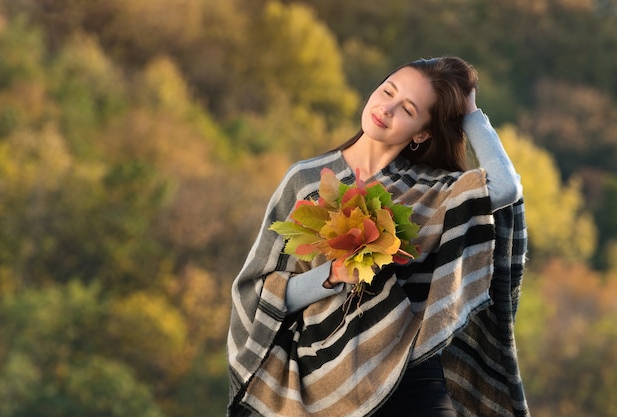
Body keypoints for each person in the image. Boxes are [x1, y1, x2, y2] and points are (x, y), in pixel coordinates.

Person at [227, 56, 530, 417]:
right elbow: (257, 292)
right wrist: (332, 276)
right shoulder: (306, 183)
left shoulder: (434, 192)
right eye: (388, 91)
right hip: (323, 381)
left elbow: (506, 186)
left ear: (422, 132)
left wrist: (471, 115)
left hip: (415, 378)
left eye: (407, 108)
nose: (386, 109)